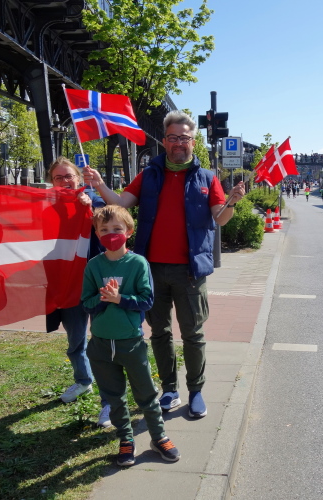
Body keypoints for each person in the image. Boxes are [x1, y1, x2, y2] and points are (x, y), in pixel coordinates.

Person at [83, 110, 245, 419]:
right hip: (152, 270)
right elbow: (121, 203)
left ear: (193, 141)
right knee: (159, 332)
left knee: (193, 334)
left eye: (184, 137)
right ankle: (169, 389)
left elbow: (220, 217)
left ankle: (196, 391)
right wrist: (100, 184)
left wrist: (233, 202)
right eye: (172, 137)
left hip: (190, 271)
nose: (178, 143)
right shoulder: (150, 174)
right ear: (164, 141)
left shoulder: (207, 178)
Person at [82, 205, 180, 466]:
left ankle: (158, 437)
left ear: (129, 231)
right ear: (97, 233)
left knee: (146, 394)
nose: (111, 234)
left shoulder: (138, 263)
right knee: (114, 398)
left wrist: (120, 298)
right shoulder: (94, 266)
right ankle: (126, 439)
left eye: (117, 228)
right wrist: (103, 298)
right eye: (104, 230)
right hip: (101, 345)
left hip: (131, 343)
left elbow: (147, 301)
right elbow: (86, 303)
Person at [44, 157, 112, 427]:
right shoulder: (46, 205)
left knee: (103, 342)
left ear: (78, 178)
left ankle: (109, 401)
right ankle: (83, 380)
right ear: (52, 181)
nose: (64, 181)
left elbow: (111, 227)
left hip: (95, 282)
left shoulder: (94, 201)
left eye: (68, 176)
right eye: (58, 177)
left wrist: (91, 209)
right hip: (67, 284)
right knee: (75, 342)